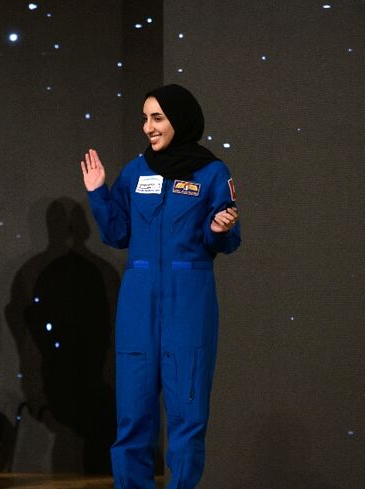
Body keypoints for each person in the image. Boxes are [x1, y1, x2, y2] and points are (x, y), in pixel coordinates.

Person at [80, 84, 241, 488]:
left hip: (189, 303)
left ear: (179, 120)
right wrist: (98, 192)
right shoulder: (136, 171)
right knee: (133, 417)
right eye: (145, 118)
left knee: (187, 418)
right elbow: (117, 233)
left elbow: (225, 239)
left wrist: (219, 228)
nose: (148, 127)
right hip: (138, 302)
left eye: (157, 118)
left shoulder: (212, 172)